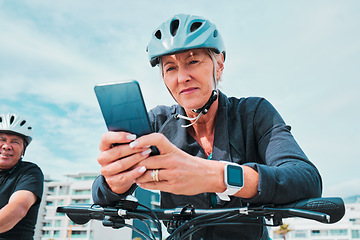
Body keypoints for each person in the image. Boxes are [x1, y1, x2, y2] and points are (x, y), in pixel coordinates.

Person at [92, 14, 322, 239]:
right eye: (170, 68)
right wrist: (113, 182)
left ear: (219, 65)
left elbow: (306, 179)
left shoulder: (254, 113)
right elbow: (101, 194)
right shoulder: (157, 123)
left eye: (192, 61)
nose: (182, 77)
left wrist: (218, 177)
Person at [0, 113, 44, 240]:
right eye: (2, 139)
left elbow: (18, 209)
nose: (7, 146)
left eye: (15, 141)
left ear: (23, 150)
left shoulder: (29, 172)